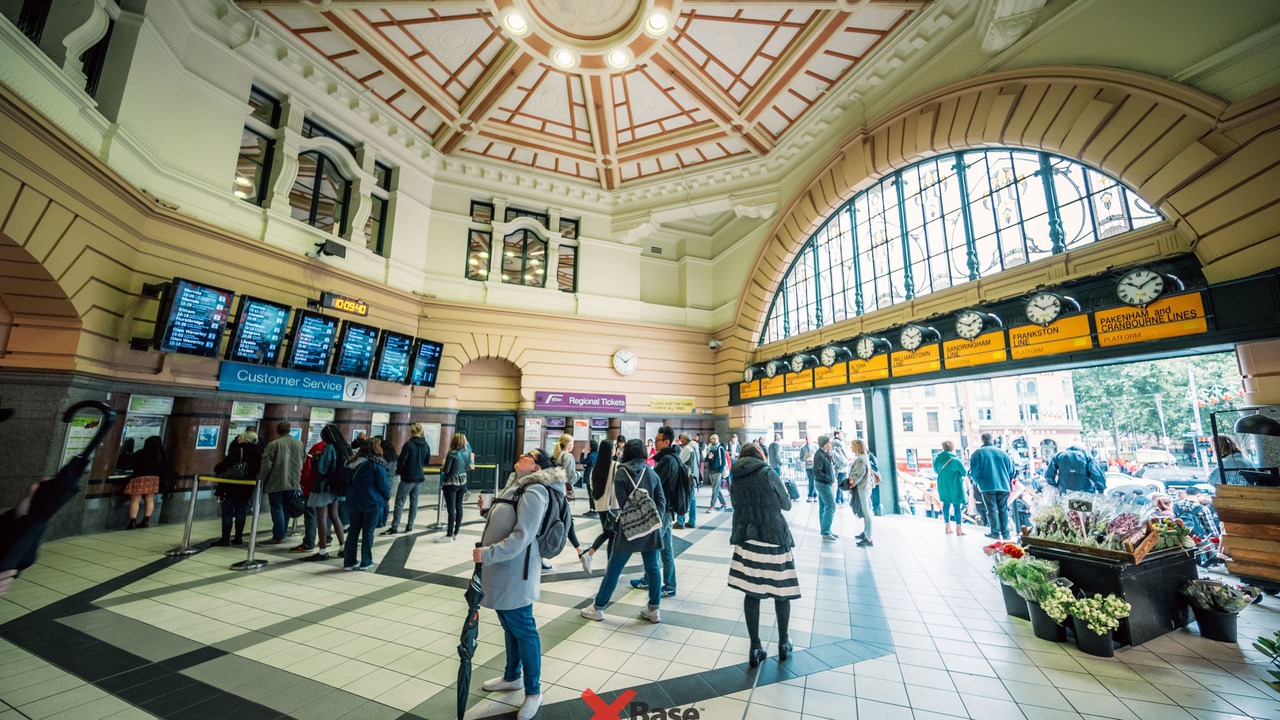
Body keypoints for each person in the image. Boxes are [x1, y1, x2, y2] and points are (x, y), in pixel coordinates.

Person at [473, 448, 563, 720]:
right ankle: (512, 677)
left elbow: (522, 536)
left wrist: (489, 553)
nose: (522, 456)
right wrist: (487, 511)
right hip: (503, 569)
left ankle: (533, 692)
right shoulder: (517, 484)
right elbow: (507, 520)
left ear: (536, 467)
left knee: (523, 629)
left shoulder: (535, 491)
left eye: (528, 455)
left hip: (515, 572)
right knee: (509, 625)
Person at [727, 443, 799, 666]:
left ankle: (755, 647)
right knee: (781, 591)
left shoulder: (736, 476)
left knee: (752, 593)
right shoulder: (768, 473)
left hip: (747, 536)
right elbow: (786, 504)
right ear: (760, 456)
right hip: (773, 535)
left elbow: (735, 504)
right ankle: (784, 642)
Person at [580, 439, 666, 624]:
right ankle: (653, 609)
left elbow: (622, 504)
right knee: (652, 568)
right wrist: (651, 518)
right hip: (651, 528)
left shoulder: (621, 473)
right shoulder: (651, 473)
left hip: (628, 529)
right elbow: (661, 501)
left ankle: (598, 608)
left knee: (614, 569)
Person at [631, 426, 680, 598]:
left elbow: (654, 483)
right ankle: (668, 584)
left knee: (653, 547)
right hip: (668, 509)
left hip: (663, 510)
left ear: (666, 441)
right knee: (665, 549)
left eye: (658, 440)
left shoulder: (667, 461)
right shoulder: (673, 458)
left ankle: (655, 581)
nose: (656, 442)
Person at [300, 424, 348, 561]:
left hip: (324, 487)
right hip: (337, 488)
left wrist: (316, 460)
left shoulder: (329, 448)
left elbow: (322, 469)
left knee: (321, 516)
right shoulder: (344, 448)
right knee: (335, 515)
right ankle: (343, 548)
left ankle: (322, 551)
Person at [342, 439, 391, 570]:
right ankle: (366, 561)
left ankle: (349, 562)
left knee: (353, 531)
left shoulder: (350, 463)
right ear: (376, 448)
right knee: (368, 532)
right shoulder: (376, 464)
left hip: (352, 502)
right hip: (371, 502)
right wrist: (387, 498)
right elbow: (383, 484)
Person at [212, 430, 262, 546]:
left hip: (231, 486)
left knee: (227, 512)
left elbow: (225, 464)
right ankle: (238, 537)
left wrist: (218, 469)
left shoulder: (239, 450)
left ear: (244, 438)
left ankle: (225, 538)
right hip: (248, 486)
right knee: (241, 512)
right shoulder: (258, 452)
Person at [258, 422, 304, 545]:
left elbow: (266, 465)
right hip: (294, 481)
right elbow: (303, 460)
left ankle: (279, 535)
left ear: (277, 430)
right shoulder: (299, 444)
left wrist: (261, 480)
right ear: (289, 430)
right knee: (286, 508)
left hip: (276, 482)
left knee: (277, 508)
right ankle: (282, 533)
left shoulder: (273, 444)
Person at [553, 434, 592, 572]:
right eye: (572, 443)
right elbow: (569, 477)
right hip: (562, 493)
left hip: (556, 492)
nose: (573, 446)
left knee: (567, 520)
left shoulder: (557, 455)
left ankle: (580, 550)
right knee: (566, 521)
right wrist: (578, 475)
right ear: (568, 444)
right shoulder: (568, 456)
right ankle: (580, 550)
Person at [385, 422, 431, 534]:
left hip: (408, 477)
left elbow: (402, 460)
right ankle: (410, 526)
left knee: (400, 501)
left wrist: (398, 471)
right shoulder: (426, 445)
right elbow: (427, 461)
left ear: (412, 431)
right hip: (419, 477)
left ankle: (395, 527)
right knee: (414, 502)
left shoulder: (409, 444)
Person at [969, 433, 1015, 540]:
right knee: (1003, 509)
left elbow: (974, 472)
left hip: (987, 485)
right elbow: (1012, 471)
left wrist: (978, 481)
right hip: (1003, 485)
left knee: (991, 509)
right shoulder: (1003, 453)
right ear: (992, 440)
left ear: (982, 440)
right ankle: (1006, 534)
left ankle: (995, 532)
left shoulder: (977, 453)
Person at [123, 435, 168, 529]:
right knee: (150, 500)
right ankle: (145, 522)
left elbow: (129, 463)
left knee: (135, 500)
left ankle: (132, 522)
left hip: (139, 477)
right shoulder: (161, 455)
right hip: (154, 478)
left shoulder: (141, 453)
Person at [584, 439, 619, 563]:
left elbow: (592, 485)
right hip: (612, 506)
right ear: (611, 450)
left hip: (600, 505)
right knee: (612, 535)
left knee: (607, 533)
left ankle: (589, 554)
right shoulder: (616, 465)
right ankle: (609, 563)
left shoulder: (596, 467)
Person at [438, 433, 473, 543]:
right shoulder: (468, 453)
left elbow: (446, 470)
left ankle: (449, 535)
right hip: (463, 483)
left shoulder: (452, 453)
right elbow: (467, 468)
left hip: (451, 484)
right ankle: (456, 533)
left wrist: (443, 466)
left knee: (451, 509)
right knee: (459, 507)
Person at [933, 440, 967, 535]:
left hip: (943, 484)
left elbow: (936, 470)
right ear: (952, 448)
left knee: (946, 504)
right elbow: (964, 473)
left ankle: (947, 526)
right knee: (957, 506)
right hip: (955, 485)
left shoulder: (937, 459)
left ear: (943, 448)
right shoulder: (955, 460)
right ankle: (959, 528)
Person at [848, 438, 874, 547]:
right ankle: (866, 533)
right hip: (865, 487)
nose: (851, 447)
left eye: (852, 445)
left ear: (857, 447)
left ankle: (868, 537)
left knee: (866, 511)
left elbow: (857, 474)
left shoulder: (860, 459)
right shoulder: (864, 457)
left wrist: (850, 483)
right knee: (866, 510)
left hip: (862, 488)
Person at [814, 435, 837, 541]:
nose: (831, 444)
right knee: (831, 506)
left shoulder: (824, 454)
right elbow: (817, 471)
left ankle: (826, 530)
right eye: (829, 442)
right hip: (823, 483)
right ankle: (826, 531)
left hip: (824, 483)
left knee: (823, 507)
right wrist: (828, 478)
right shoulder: (819, 455)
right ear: (825, 444)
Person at [676, 433, 700, 528]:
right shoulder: (696, 448)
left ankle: (680, 521)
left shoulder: (687, 449)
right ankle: (692, 521)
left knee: (683, 498)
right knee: (692, 499)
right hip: (694, 477)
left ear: (685, 440)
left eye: (681, 439)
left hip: (687, 477)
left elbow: (679, 462)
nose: (681, 442)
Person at [705, 434, 729, 511]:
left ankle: (712, 506)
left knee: (715, 489)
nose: (715, 440)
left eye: (716, 439)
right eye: (713, 439)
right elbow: (706, 459)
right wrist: (708, 457)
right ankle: (724, 504)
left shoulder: (720, 448)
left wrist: (720, 471)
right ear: (711, 440)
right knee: (717, 488)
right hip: (711, 470)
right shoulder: (709, 448)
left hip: (717, 471)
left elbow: (724, 461)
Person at [830, 430, 850, 505]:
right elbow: (845, 454)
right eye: (841, 435)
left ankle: (842, 500)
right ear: (837, 435)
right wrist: (848, 458)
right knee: (841, 484)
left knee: (840, 482)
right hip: (842, 466)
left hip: (837, 466)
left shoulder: (833, 444)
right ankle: (838, 499)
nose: (843, 436)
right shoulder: (840, 443)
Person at [800, 435, 816, 503]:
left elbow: (818, 455)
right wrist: (806, 460)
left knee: (812, 481)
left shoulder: (815, 446)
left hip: (815, 466)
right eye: (807, 439)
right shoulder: (803, 448)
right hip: (808, 466)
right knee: (811, 481)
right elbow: (801, 458)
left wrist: (814, 459)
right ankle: (814, 495)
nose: (808, 440)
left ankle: (810, 496)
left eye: (809, 438)